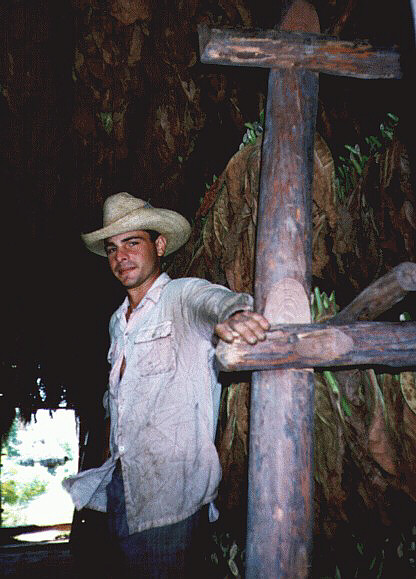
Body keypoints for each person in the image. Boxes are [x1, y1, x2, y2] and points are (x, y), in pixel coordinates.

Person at [63, 192, 269, 577]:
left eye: (132, 243)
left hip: (174, 498)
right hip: (124, 493)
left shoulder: (180, 296)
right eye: (112, 249)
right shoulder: (117, 322)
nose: (120, 257)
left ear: (159, 245)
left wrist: (234, 316)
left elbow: (213, 301)